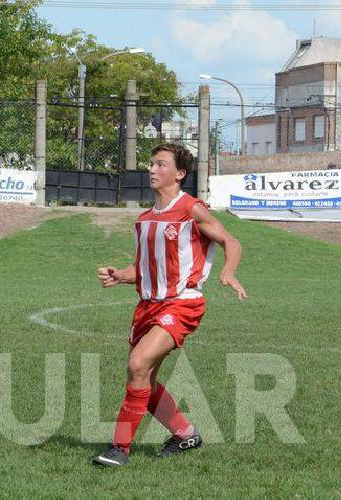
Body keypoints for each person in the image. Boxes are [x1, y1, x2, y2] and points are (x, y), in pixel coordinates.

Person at [91, 143, 247, 467]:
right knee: (142, 379)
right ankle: (185, 434)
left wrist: (228, 271)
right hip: (147, 306)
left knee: (138, 364)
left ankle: (119, 449)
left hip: (181, 303)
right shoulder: (145, 219)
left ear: (179, 174)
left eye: (161, 164)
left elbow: (231, 241)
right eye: (151, 164)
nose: (152, 169)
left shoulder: (192, 209)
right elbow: (147, 270)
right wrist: (119, 275)